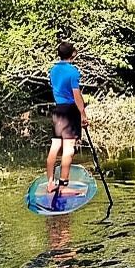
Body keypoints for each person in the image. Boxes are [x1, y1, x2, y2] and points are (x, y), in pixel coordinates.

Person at [45, 41, 89, 195]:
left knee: (55, 146)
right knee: (68, 149)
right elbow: (76, 95)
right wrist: (83, 114)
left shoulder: (53, 70)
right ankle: (63, 186)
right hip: (70, 111)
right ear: (73, 54)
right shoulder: (73, 72)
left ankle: (50, 183)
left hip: (58, 110)